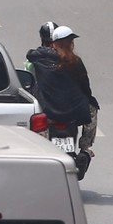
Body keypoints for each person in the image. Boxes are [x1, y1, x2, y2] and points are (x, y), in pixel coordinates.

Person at [27, 24, 99, 152]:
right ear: (71, 44)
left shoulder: (39, 58)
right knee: (93, 108)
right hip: (71, 112)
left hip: (48, 110)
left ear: (53, 43)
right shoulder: (76, 62)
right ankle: (85, 148)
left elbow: (30, 54)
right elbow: (86, 88)